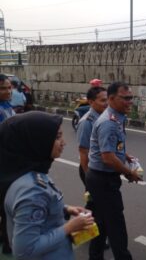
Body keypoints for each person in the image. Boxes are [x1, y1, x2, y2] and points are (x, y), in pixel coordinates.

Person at [0, 111, 95, 260]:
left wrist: (65, 209)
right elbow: (25, 251)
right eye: (57, 137)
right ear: (36, 141)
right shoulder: (32, 191)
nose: (64, 142)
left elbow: (32, 209)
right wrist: (69, 227)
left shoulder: (27, 173)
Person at [86, 81, 141, 260]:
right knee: (116, 228)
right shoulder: (109, 122)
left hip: (100, 179)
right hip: (103, 180)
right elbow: (107, 157)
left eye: (131, 98)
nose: (129, 102)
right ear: (111, 99)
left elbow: (112, 148)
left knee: (101, 225)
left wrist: (124, 156)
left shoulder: (116, 118)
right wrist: (129, 173)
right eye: (125, 98)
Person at [76, 86, 107, 192]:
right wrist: (89, 176)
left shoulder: (104, 118)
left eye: (107, 99)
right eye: (103, 100)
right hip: (91, 169)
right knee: (94, 201)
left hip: (102, 168)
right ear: (91, 102)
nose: (106, 103)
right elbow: (83, 151)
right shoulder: (87, 122)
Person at [0, 73, 15, 254]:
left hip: (9, 163)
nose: (8, 91)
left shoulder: (7, 107)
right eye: (3, 88)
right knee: (7, 206)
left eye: (9, 87)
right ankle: (8, 243)